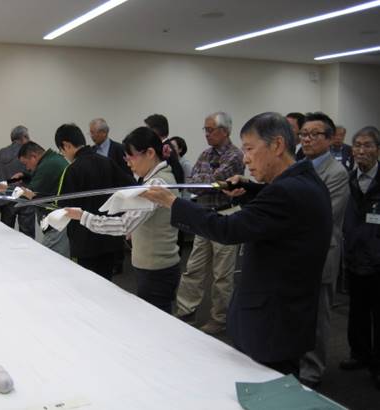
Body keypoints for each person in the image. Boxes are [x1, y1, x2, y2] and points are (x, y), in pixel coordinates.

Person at [142, 112, 332, 376]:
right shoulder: (305, 180)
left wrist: (173, 203)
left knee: (267, 385)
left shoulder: (287, 191)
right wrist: (249, 189)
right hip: (286, 315)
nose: (245, 159)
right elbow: (277, 206)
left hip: (272, 322)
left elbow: (227, 229)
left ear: (277, 145)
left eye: (250, 149)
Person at [65, 126, 180, 313]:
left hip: (156, 268)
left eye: (131, 157)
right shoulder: (153, 179)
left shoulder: (156, 184)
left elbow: (124, 224)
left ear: (150, 153)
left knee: (155, 319)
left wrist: (83, 216)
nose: (128, 163)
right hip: (153, 264)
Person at [174, 112, 244, 335]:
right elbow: (193, 183)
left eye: (210, 129)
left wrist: (207, 180)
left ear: (225, 131)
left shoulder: (235, 155)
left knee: (222, 274)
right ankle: (186, 311)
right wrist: (209, 180)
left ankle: (219, 318)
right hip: (204, 216)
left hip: (226, 215)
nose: (206, 134)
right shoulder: (205, 154)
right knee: (193, 267)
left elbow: (211, 183)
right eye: (205, 129)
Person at [298, 112, 350, 388]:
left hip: (321, 253)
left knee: (318, 316)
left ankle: (313, 369)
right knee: (298, 311)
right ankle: (296, 360)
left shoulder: (336, 173)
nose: (307, 139)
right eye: (304, 134)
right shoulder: (300, 166)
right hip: (296, 252)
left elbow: (323, 216)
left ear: (329, 139)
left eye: (314, 134)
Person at [55, 123, 134, 280]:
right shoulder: (107, 162)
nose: (64, 155)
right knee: (107, 281)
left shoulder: (72, 170)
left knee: (87, 283)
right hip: (110, 236)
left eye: (62, 150)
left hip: (85, 241)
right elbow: (130, 187)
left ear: (66, 145)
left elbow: (62, 204)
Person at [339, 126, 380, 390]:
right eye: (357, 145)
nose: (361, 150)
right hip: (355, 256)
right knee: (357, 311)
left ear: (378, 150)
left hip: (378, 259)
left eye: (367, 145)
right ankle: (360, 354)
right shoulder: (349, 179)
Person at [14, 141, 70, 257]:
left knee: (50, 259)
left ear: (33, 157)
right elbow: (46, 182)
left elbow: (31, 193)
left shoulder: (48, 166)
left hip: (58, 224)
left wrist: (8, 189)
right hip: (61, 220)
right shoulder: (52, 159)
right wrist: (26, 177)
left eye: (26, 163)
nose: (27, 168)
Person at [0, 125, 35, 238]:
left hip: (5, 200)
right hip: (25, 199)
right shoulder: (30, 154)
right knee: (28, 238)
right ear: (24, 137)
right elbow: (36, 176)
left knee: (5, 238)